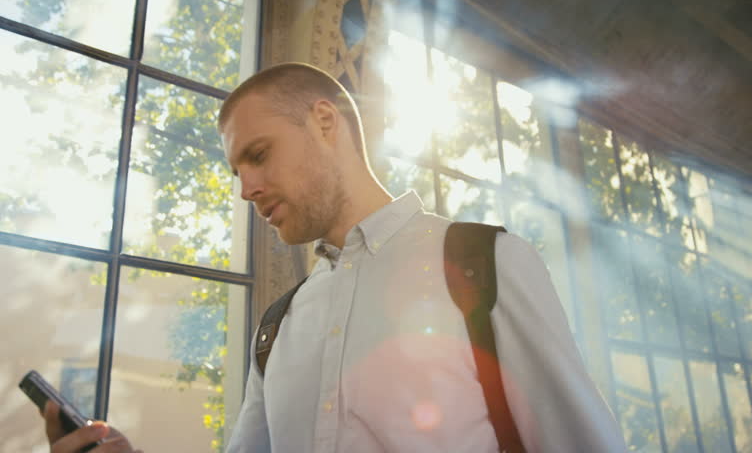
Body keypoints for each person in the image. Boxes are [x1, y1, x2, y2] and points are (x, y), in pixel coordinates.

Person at [42, 62, 626, 452]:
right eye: (236, 170)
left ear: (325, 122)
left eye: (260, 154)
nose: (246, 188)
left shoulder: (484, 261)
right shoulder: (275, 329)